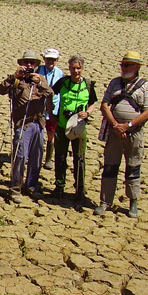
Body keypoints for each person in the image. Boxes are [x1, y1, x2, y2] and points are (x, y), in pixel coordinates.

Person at [95, 51, 148, 218]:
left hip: (133, 134)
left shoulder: (144, 86)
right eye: (122, 64)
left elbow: (147, 112)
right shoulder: (114, 83)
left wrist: (127, 126)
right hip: (115, 133)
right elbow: (104, 105)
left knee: (133, 167)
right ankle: (105, 201)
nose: (123, 68)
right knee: (110, 167)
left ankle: (133, 203)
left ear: (136, 67)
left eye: (127, 65)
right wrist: (116, 126)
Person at [0, 50, 53, 203]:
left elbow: (50, 94)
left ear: (36, 65)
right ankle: (15, 188)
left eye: (32, 63)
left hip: (38, 124)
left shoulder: (41, 79)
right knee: (20, 156)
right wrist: (14, 77)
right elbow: (0, 90)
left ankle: (32, 186)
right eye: (26, 62)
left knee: (36, 157)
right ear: (21, 64)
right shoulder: (16, 80)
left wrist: (39, 83)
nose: (29, 65)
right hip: (23, 125)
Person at [50, 55, 97, 203]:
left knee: (79, 159)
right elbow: (49, 94)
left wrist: (87, 113)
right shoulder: (63, 82)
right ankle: (59, 187)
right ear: (69, 69)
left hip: (79, 128)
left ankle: (80, 189)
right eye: (73, 68)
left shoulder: (88, 85)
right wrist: (51, 112)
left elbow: (93, 103)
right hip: (62, 126)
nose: (75, 71)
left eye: (78, 68)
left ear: (82, 69)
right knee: (60, 157)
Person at [37, 49, 64, 170]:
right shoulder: (38, 70)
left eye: (53, 59)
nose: (50, 61)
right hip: (39, 106)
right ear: (44, 59)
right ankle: (36, 156)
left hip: (53, 107)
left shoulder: (60, 73)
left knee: (51, 133)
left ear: (57, 61)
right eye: (48, 59)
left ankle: (48, 158)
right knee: (38, 131)